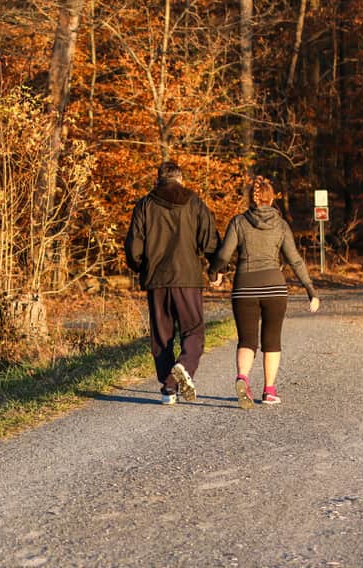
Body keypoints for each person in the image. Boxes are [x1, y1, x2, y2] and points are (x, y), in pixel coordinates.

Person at [209, 175, 321, 409]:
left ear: (252, 199)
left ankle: (242, 378)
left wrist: (214, 272)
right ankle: (269, 391)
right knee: (272, 340)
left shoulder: (239, 222)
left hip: (244, 288)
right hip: (274, 288)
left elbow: (223, 255)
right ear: (272, 199)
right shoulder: (280, 225)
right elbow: (295, 260)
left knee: (247, 340)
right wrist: (310, 289)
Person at [124, 160, 219, 405]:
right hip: (187, 278)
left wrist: (141, 267)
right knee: (193, 330)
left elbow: (133, 246)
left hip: (157, 280)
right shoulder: (195, 202)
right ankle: (182, 368)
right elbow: (209, 239)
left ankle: (169, 389)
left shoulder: (145, 204)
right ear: (181, 180)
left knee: (161, 335)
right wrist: (217, 267)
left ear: (158, 180)